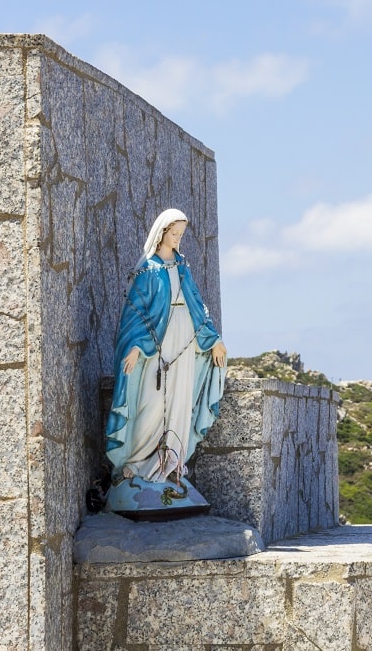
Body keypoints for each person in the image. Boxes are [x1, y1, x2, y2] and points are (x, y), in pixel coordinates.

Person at [103, 208, 227, 514]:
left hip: (184, 345)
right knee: (150, 404)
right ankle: (136, 464)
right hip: (154, 346)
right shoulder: (147, 270)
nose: (178, 239)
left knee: (178, 407)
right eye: (174, 233)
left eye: (181, 234)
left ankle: (170, 463)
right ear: (161, 233)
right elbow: (135, 312)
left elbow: (199, 306)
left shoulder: (182, 267)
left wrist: (213, 341)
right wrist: (135, 347)